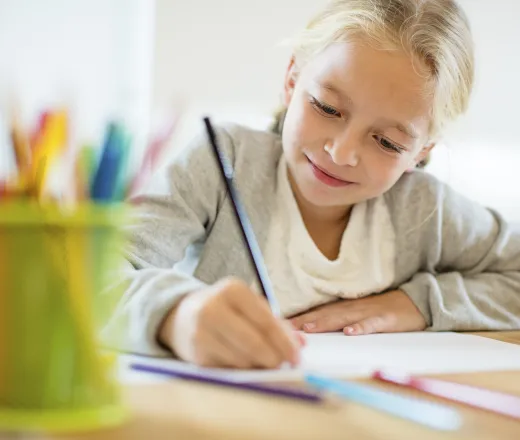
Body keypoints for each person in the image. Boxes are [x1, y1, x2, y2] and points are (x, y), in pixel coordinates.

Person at [102, 0, 520, 369]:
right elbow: (92, 271)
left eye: (388, 142)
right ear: (291, 81)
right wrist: (175, 314)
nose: (341, 152)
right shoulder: (222, 160)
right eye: (327, 107)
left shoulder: (425, 211)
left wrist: (419, 304)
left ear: (421, 152)